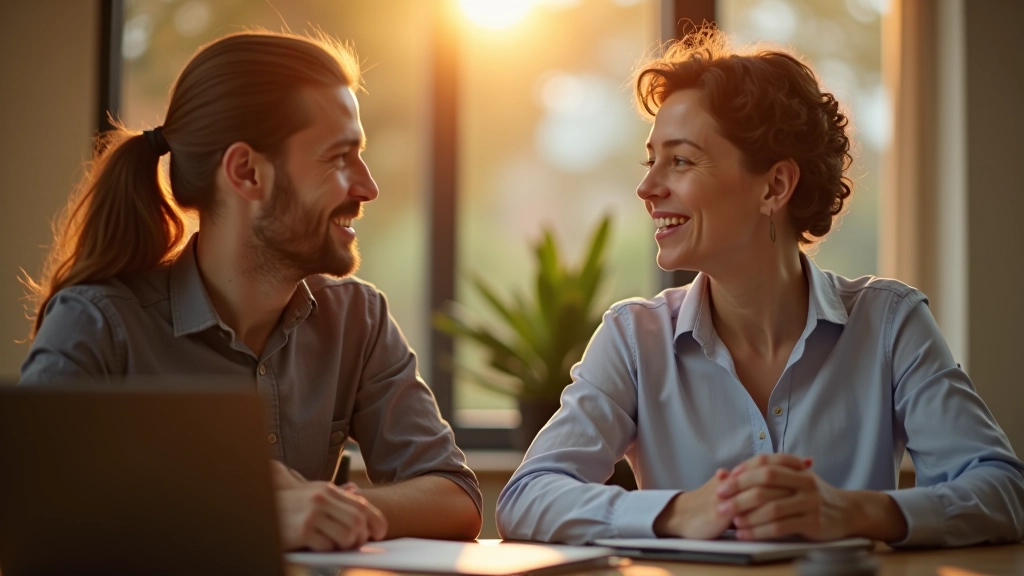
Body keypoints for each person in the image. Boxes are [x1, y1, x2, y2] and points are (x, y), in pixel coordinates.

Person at [496, 27, 1024, 547]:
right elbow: (526, 499)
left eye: (679, 160)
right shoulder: (633, 338)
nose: (647, 187)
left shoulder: (890, 323)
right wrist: (679, 510)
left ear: (774, 186)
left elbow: (1003, 493)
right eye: (650, 160)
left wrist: (850, 511)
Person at [19, 31, 482, 551]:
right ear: (246, 172)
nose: (368, 187)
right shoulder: (98, 325)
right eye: (338, 158)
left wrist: (332, 510)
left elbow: (456, 497)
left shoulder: (358, 319)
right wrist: (247, 513)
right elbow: (28, 515)